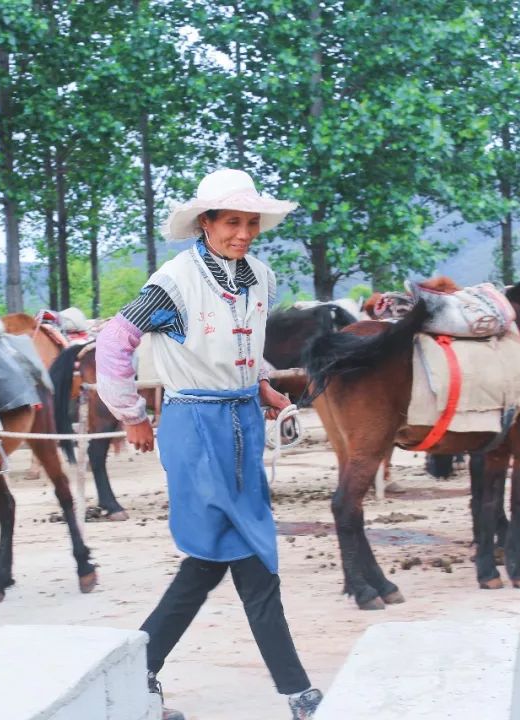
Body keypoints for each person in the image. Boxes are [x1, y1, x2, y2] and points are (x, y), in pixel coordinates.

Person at [95, 169, 322, 720]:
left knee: (212, 557)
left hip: (244, 422)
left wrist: (262, 386)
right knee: (249, 551)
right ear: (206, 222)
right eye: (231, 222)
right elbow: (114, 342)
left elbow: (239, 349)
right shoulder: (173, 283)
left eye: (251, 223)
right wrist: (131, 414)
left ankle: (139, 670)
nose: (243, 233)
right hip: (194, 427)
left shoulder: (260, 278)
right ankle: (298, 692)